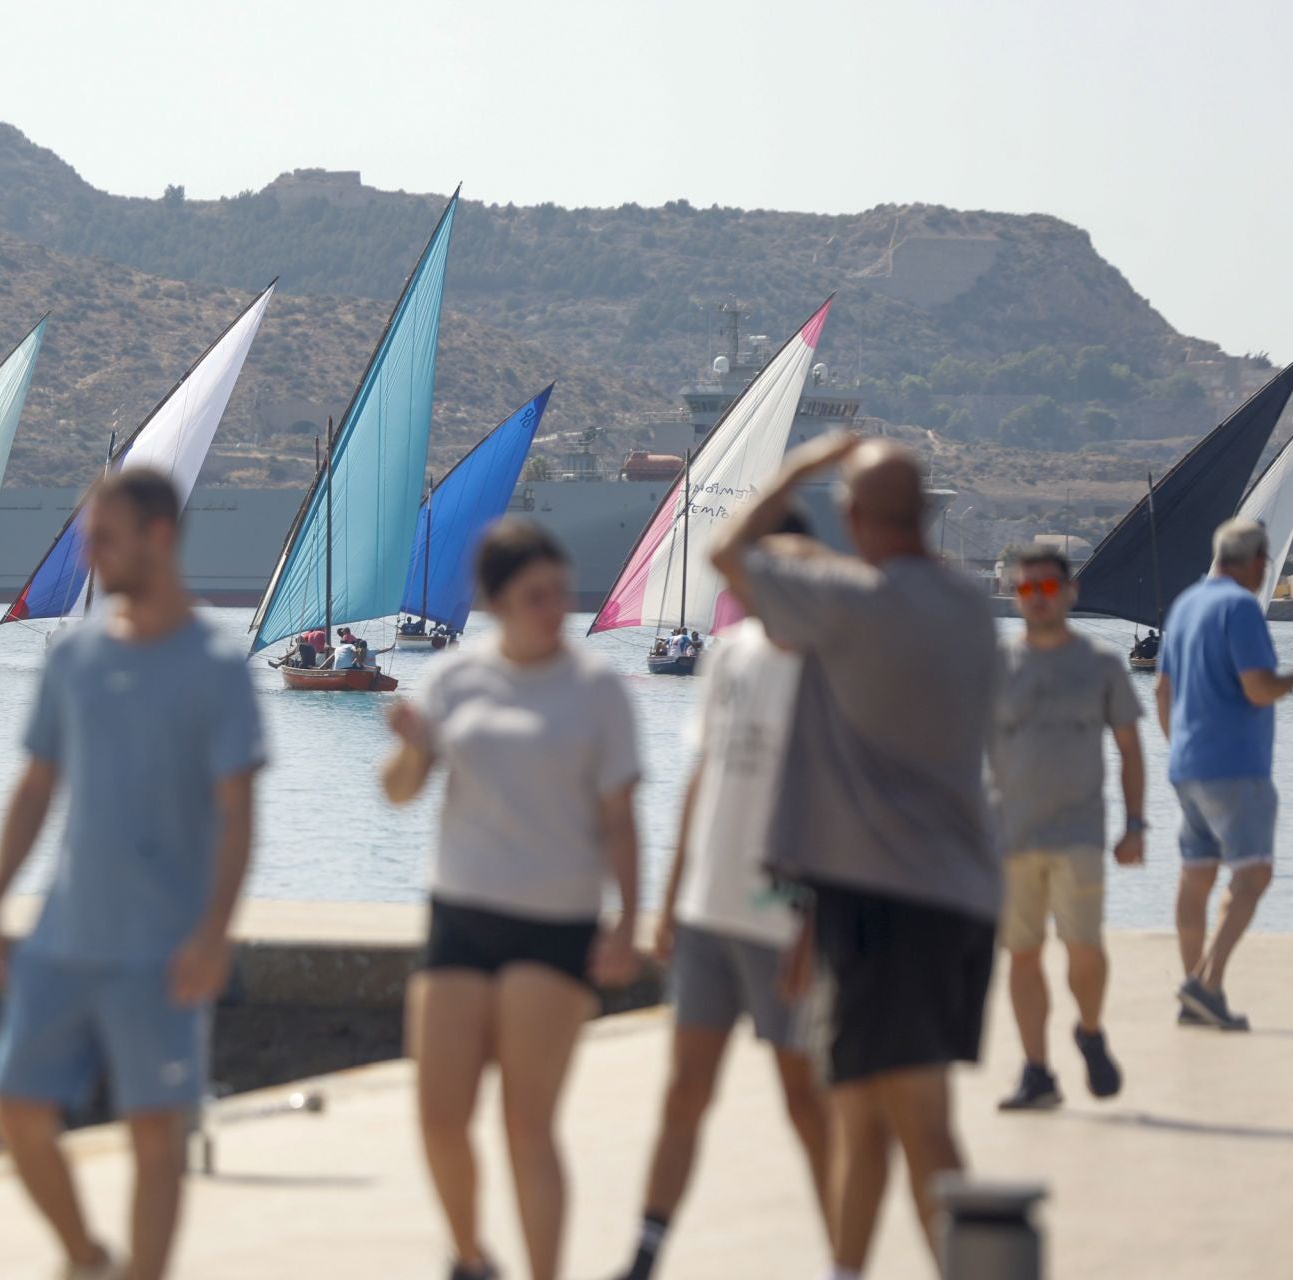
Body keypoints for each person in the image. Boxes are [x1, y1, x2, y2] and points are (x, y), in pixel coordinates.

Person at [0, 467, 265, 1280]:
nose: (89, 553)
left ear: (157, 537)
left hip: (163, 949)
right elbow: (36, 786)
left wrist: (213, 933)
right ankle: (86, 1256)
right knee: (15, 1111)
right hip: (63, 937)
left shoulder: (214, 664)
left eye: (103, 538)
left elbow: (239, 814)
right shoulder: (77, 658)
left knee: (155, 1138)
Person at [713, 434, 1001, 1278]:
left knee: (910, 1114)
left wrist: (797, 468)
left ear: (853, 514)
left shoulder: (851, 604)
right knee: (867, 1111)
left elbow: (726, 551)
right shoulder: (970, 610)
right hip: (953, 900)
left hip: (883, 905)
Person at [381, 519, 642, 1280]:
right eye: (535, 597)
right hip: (459, 913)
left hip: (555, 923)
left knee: (526, 1124)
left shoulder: (596, 690)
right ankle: (469, 1258)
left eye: (560, 593)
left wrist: (629, 920)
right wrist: (410, 745)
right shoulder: (455, 678)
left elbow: (620, 820)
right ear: (495, 600)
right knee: (438, 1117)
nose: (553, 609)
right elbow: (399, 794)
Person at [615, 511, 831, 1280]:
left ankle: (845, 1255)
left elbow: (838, 810)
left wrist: (811, 930)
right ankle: (645, 1251)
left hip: (785, 920)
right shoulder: (731, 656)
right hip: (709, 912)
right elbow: (701, 781)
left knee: (803, 1097)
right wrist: (670, 903)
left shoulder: (829, 668)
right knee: (685, 1089)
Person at [988, 545, 1145, 1110]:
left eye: (1048, 589)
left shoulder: (1101, 666)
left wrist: (1136, 825)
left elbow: (1130, 749)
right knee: (1022, 955)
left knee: (1084, 948)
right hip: (1011, 839)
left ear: (1069, 594)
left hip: (1079, 834)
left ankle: (1091, 1029)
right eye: (1027, 590)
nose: (1037, 599)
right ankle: (1037, 1072)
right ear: (1016, 595)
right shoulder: (996, 667)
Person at [1156, 518, 1293, 1030]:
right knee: (1255, 873)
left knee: (1196, 875)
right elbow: (1258, 688)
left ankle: (1195, 997)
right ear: (1255, 561)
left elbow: (1162, 692)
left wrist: (1180, 748)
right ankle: (1205, 981)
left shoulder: (1185, 605)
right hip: (1236, 766)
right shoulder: (1242, 607)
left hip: (1187, 765)